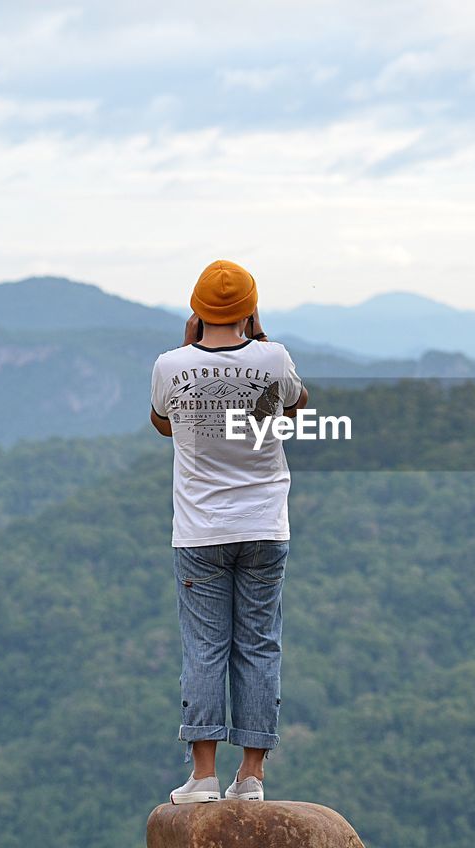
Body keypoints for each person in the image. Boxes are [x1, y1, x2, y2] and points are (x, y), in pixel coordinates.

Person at [149, 259, 308, 804]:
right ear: (250, 308)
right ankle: (252, 780)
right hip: (265, 524)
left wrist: (190, 350)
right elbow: (296, 404)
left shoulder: (171, 364)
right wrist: (257, 342)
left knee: (205, 648)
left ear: (197, 310)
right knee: (259, 645)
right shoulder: (274, 356)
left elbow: (163, 422)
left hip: (200, 530)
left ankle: (203, 777)